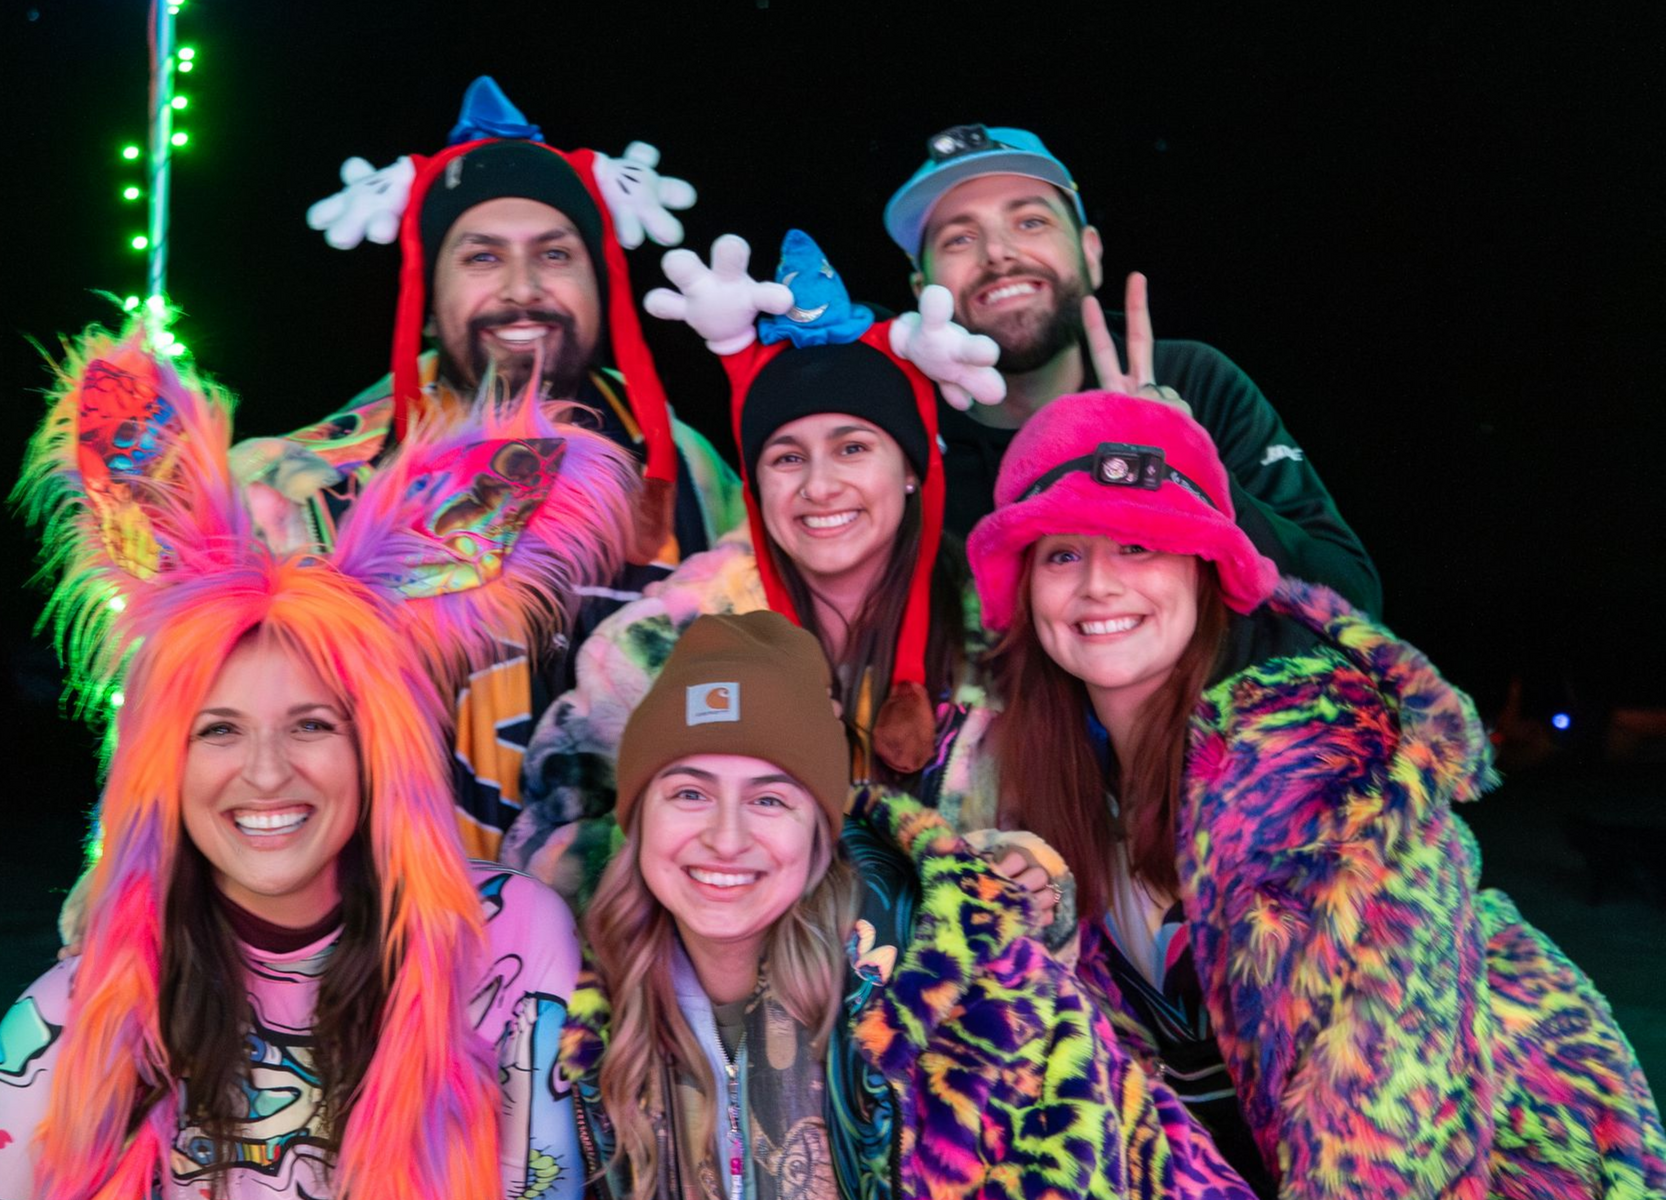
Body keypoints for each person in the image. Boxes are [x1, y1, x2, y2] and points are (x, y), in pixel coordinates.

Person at [0, 327, 640, 1197]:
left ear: (377, 750)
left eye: (312, 726)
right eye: (218, 731)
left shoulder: (509, 941)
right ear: (161, 765)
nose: (266, 773)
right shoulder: (60, 1028)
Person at [959, 389, 1666, 1197]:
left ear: (1204, 567)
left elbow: (1387, 1136)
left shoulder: (1324, 776)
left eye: (1137, 544)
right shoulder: (1037, 780)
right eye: (1062, 555)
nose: (1098, 585)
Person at [561, 611, 1256, 1199]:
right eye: (688, 792)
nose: (725, 837)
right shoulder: (592, 1015)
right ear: (638, 817)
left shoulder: (974, 996)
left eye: (770, 799)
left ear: (821, 830)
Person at [234, 76, 744, 856]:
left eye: (555, 255)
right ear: (428, 299)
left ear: (601, 284)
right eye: (481, 257)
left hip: (641, 909)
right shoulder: (310, 489)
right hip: (399, 909)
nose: (522, 289)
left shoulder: (691, 476)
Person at [504, 230, 1032, 900]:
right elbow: (541, 859)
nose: (819, 486)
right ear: (755, 482)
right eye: (787, 457)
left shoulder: (1004, 636)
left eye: (852, 448)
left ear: (911, 468)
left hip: (951, 966)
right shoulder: (665, 641)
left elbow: (1070, 844)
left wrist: (1031, 874)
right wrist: (685, 846)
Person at [884, 124, 1381, 616]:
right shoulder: (893, 433)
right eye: (959, 239)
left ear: (1091, 253)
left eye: (1031, 222)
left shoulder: (1193, 379)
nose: (997, 252)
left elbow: (1353, 603)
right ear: (921, 289)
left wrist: (1187, 472)